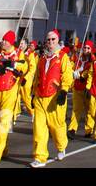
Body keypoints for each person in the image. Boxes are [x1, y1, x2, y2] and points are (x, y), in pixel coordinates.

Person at [29, 29, 73, 167]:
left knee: (56, 126)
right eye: (48, 40)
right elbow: (37, 77)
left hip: (55, 97)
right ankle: (40, 157)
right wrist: (33, 94)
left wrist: (64, 91)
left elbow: (67, 76)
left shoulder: (63, 57)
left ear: (57, 41)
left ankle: (61, 146)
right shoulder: (41, 59)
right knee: (39, 128)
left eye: (53, 39)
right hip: (40, 97)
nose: (50, 42)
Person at [0, 31, 27, 164]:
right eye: (3, 40)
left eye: (5, 40)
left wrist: (13, 66)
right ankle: (4, 149)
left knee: (4, 121)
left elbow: (24, 67)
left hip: (10, 92)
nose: (3, 42)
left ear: (11, 42)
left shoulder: (18, 54)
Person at [68, 40, 93, 137]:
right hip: (77, 87)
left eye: (88, 48)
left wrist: (82, 75)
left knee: (88, 110)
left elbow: (91, 71)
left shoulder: (93, 60)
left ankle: (88, 130)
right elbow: (73, 67)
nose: (86, 50)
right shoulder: (78, 59)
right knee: (76, 109)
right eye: (85, 48)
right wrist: (73, 73)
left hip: (87, 89)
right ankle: (72, 129)